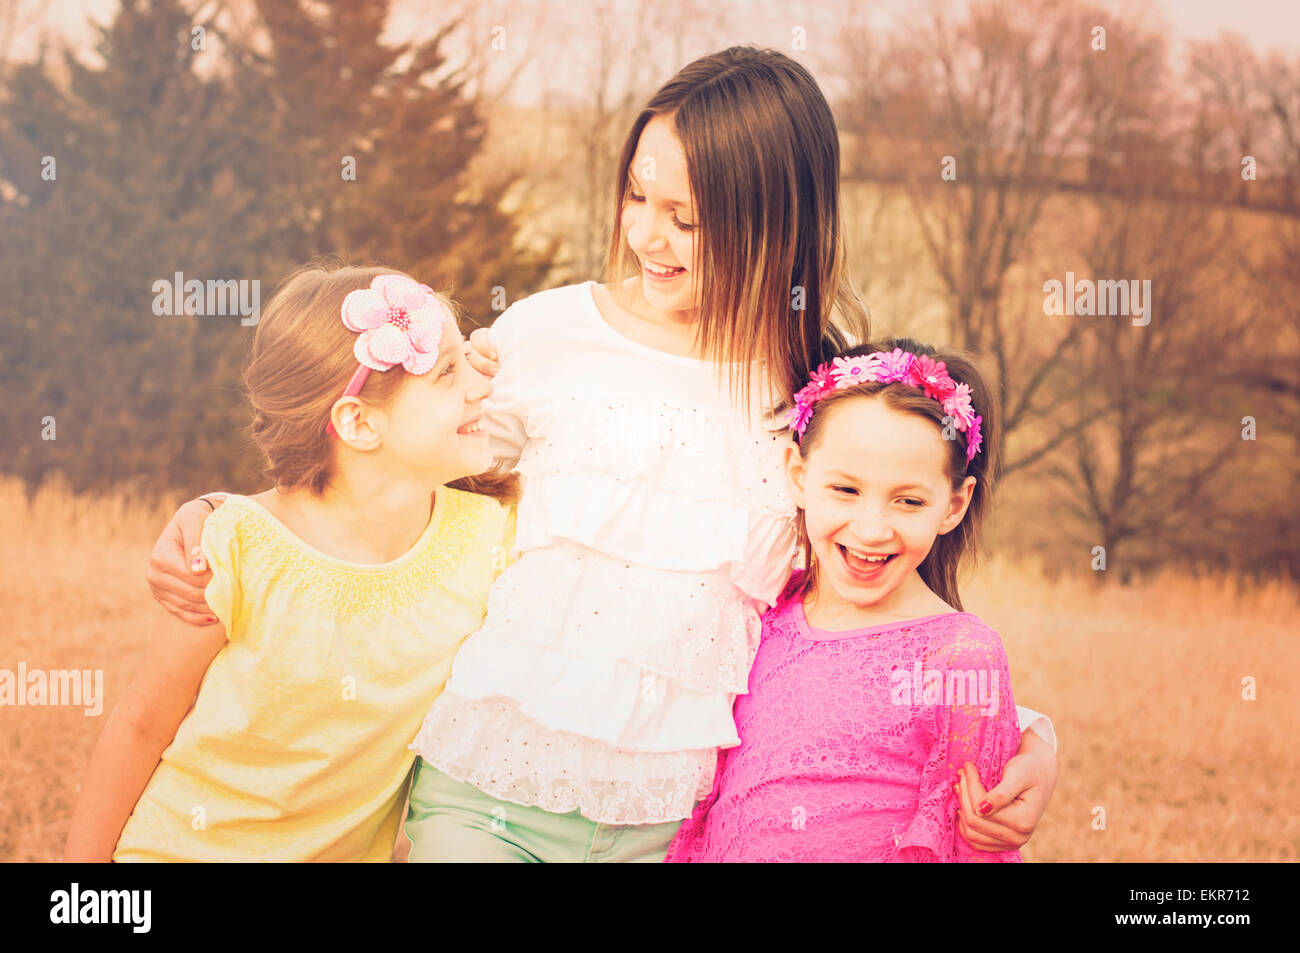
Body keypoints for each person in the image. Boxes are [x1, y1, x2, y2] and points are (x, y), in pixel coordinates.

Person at [144, 48, 1056, 863]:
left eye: (686, 220)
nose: (646, 236)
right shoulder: (547, 335)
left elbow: (863, 599)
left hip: (669, 823)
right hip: (488, 790)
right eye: (637, 198)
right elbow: (393, 456)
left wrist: (1029, 736)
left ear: (775, 224)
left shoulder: (813, 389)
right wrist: (241, 512)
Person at [65, 264, 516, 861]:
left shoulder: (488, 538)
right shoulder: (237, 549)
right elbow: (140, 725)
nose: (482, 386)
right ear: (357, 423)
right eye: (448, 373)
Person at [666, 339, 1025, 861]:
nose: (872, 528)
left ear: (953, 506)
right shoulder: (759, 613)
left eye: (909, 501)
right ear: (798, 475)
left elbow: (977, 845)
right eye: (846, 491)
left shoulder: (962, 655)